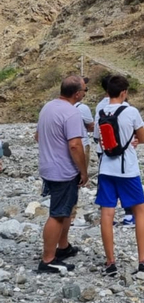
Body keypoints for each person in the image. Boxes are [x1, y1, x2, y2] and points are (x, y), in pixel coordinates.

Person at [95, 75, 144, 276]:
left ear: (108, 92)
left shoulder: (100, 112)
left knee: (107, 213)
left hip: (106, 168)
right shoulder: (131, 111)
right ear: (124, 92)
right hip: (127, 169)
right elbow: (142, 137)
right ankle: (143, 259)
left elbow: (98, 138)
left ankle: (110, 262)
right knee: (140, 211)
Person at [36, 75, 89, 273]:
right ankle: (48, 259)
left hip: (48, 167)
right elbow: (75, 145)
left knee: (65, 209)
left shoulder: (48, 107)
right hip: (63, 171)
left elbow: (38, 136)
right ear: (77, 94)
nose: (85, 93)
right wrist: (83, 171)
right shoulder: (72, 113)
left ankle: (63, 246)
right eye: (84, 90)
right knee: (58, 214)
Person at [94, 75, 135, 227]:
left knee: (107, 187)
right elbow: (138, 134)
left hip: (104, 151)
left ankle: (106, 217)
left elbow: (97, 135)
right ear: (123, 92)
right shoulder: (128, 108)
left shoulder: (100, 107)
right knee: (126, 184)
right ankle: (129, 214)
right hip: (124, 154)